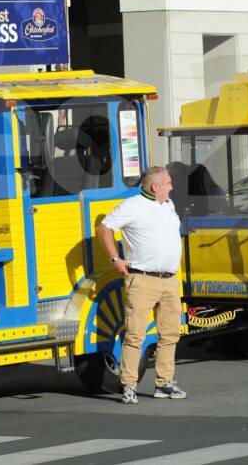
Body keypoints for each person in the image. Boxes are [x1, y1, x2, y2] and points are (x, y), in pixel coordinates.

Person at [96, 166, 185, 404]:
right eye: (168, 183)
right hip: (142, 279)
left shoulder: (168, 205)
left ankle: (164, 384)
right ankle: (128, 386)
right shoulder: (132, 206)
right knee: (135, 335)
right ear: (155, 187)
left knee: (170, 334)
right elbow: (104, 228)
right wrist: (115, 259)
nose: (171, 187)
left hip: (169, 280)